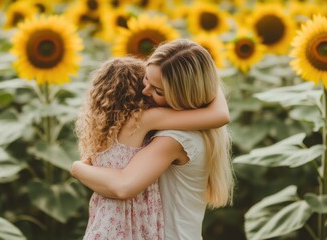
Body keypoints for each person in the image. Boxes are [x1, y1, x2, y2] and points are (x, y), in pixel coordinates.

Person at [71, 39, 234, 240]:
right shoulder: (192, 127)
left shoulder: (174, 138)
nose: (145, 91)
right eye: (146, 79)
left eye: (158, 91)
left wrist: (78, 168)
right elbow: (219, 112)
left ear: (183, 96)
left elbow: (123, 186)